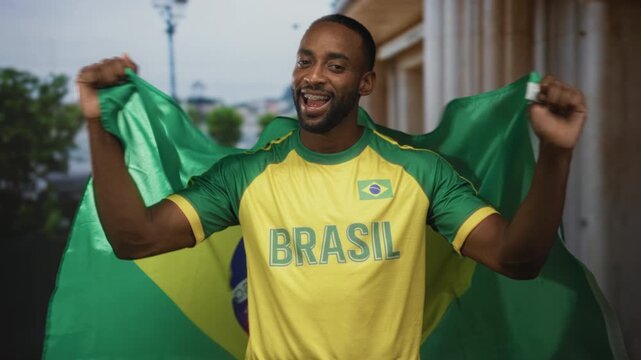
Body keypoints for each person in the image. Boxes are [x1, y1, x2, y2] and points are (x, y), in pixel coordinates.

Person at [77, 14, 586, 360]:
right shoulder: (245, 175)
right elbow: (136, 240)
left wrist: (557, 153)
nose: (313, 77)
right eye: (305, 61)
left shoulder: (421, 173)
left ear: (365, 83)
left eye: (335, 66)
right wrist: (100, 128)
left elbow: (518, 261)